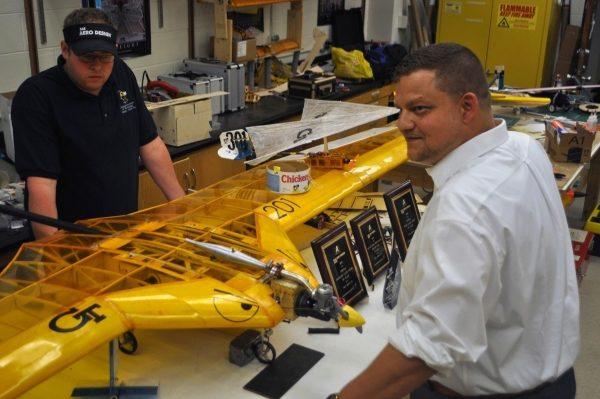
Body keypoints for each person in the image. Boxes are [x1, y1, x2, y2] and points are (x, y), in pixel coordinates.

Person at [334, 43, 580, 398]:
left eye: (420, 109)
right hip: (552, 379)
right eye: (399, 108)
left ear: (467, 107)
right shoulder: (523, 149)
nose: (403, 123)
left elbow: (430, 346)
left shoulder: (465, 206)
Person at [12, 8, 185, 239]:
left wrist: (184, 208)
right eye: (87, 57)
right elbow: (41, 186)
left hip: (124, 231)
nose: (97, 66)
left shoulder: (120, 73)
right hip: (73, 242)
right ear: (65, 50)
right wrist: (52, 254)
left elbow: (151, 145)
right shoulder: (37, 96)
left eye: (105, 57)